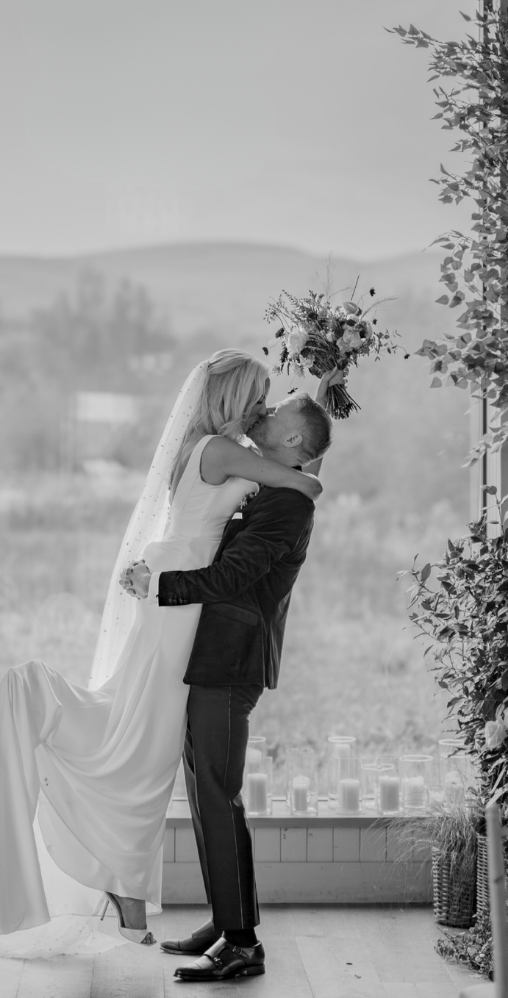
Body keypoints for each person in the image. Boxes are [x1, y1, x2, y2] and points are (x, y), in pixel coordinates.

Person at [0, 349, 333, 959]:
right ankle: (147, 893)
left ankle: (185, 909)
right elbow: (301, 477)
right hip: (179, 607)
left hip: (184, 606)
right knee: (150, 753)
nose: (262, 409)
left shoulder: (215, 448)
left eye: (271, 403)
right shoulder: (221, 450)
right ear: (234, 400)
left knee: (159, 754)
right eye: (257, 397)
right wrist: (302, 452)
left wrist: (311, 412)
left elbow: (286, 479)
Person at [127, 386, 333, 982]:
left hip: (233, 658)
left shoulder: (289, 506)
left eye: (276, 414)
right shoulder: (272, 486)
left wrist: (160, 585)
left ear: (293, 440)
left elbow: (237, 574)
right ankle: (223, 922)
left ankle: (243, 942)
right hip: (211, 654)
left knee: (218, 792)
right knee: (204, 789)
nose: (263, 416)